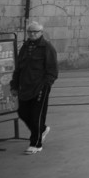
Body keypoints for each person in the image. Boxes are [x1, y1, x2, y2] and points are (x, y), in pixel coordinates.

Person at [10, 21, 58, 155]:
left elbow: (53, 69)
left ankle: (36, 144)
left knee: (37, 115)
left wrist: (47, 84)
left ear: (41, 33)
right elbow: (18, 68)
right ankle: (42, 130)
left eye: (35, 32)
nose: (32, 34)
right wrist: (14, 85)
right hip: (25, 87)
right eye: (30, 32)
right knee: (22, 112)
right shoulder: (25, 47)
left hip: (40, 86)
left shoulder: (47, 47)